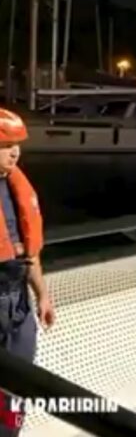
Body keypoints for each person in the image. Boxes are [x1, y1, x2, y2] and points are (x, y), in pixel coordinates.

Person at [0, 108, 55, 437]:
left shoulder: (14, 185)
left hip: (18, 303)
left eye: (17, 145)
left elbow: (29, 250)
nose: (15, 153)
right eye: (6, 146)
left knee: (18, 387)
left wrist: (42, 295)